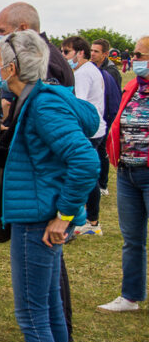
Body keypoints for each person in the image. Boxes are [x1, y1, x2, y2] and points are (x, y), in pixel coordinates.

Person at [0, 29, 99, 342]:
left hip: (40, 222)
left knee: (33, 315)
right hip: (37, 216)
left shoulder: (44, 106)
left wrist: (65, 215)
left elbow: (84, 160)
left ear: (13, 67)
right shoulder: (40, 99)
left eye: (0, 61)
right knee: (49, 313)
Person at [0, 2, 78, 342]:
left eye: (1, 32)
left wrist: (65, 214)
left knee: (37, 310)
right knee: (46, 308)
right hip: (39, 199)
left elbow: (79, 155)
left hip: (41, 205)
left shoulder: (43, 91)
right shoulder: (38, 88)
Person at [99, 36, 149, 313]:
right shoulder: (133, 87)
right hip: (128, 173)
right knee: (132, 240)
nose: (136, 59)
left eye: (141, 55)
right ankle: (130, 296)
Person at [61, 36, 107, 236]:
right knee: (88, 175)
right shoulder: (88, 70)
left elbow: (78, 104)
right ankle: (91, 219)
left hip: (88, 130)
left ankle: (91, 220)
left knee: (86, 176)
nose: (63, 56)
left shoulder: (82, 74)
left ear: (80, 53)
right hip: (95, 128)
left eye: (66, 52)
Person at [91, 38, 122, 197]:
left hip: (105, 116)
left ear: (105, 54)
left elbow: (113, 96)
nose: (92, 54)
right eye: (91, 50)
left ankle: (102, 184)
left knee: (102, 150)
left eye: (96, 51)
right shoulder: (93, 68)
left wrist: (109, 118)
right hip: (97, 115)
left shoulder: (111, 71)